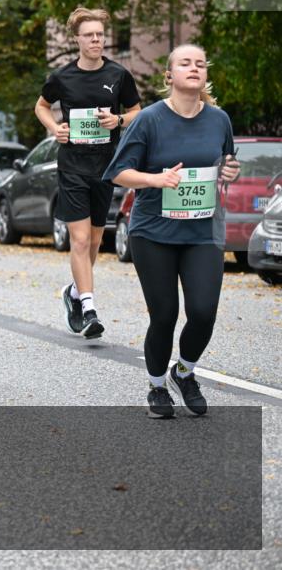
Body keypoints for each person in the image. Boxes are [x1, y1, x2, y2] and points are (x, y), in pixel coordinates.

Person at [104, 44, 240, 419]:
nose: (194, 67)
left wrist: (231, 171)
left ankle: (185, 372)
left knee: (203, 312)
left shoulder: (219, 120)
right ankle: (157, 386)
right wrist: (155, 178)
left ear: (205, 75)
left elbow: (226, 164)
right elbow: (118, 172)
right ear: (170, 75)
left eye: (200, 63)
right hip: (154, 232)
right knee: (164, 314)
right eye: (185, 63)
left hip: (202, 233)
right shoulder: (149, 119)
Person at [34, 7, 142, 339]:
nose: (96, 40)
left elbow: (137, 111)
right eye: (89, 35)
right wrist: (55, 128)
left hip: (106, 166)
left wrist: (118, 121)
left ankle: (74, 293)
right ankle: (90, 309)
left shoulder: (118, 75)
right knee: (79, 240)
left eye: (100, 35)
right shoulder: (62, 77)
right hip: (73, 167)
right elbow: (40, 106)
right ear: (77, 39)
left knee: (95, 239)